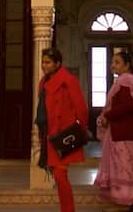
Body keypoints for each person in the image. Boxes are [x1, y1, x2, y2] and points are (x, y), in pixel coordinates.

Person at [93, 49, 133, 210]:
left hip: (124, 131)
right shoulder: (127, 81)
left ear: (127, 65)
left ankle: (126, 201)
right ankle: (132, 200)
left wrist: (108, 115)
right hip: (123, 131)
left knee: (125, 167)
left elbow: (128, 106)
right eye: (112, 62)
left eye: (117, 63)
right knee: (129, 167)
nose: (113, 66)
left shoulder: (127, 81)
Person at [37, 48, 88, 212]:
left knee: (60, 176)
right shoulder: (43, 82)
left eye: (48, 62)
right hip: (49, 134)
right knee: (59, 177)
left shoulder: (68, 80)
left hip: (64, 135)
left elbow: (81, 107)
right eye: (43, 62)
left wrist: (81, 130)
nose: (44, 65)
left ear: (57, 64)